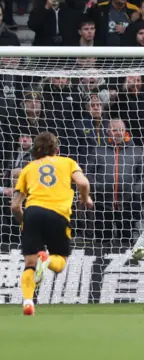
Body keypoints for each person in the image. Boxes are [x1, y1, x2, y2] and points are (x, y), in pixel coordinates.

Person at [11, 132, 93, 316]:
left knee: (29, 264)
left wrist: (26, 222)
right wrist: (85, 198)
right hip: (58, 215)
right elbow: (83, 182)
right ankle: (46, 261)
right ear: (57, 149)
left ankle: (27, 301)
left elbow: (15, 206)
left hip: (32, 213)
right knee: (60, 261)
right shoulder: (67, 162)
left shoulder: (28, 168)